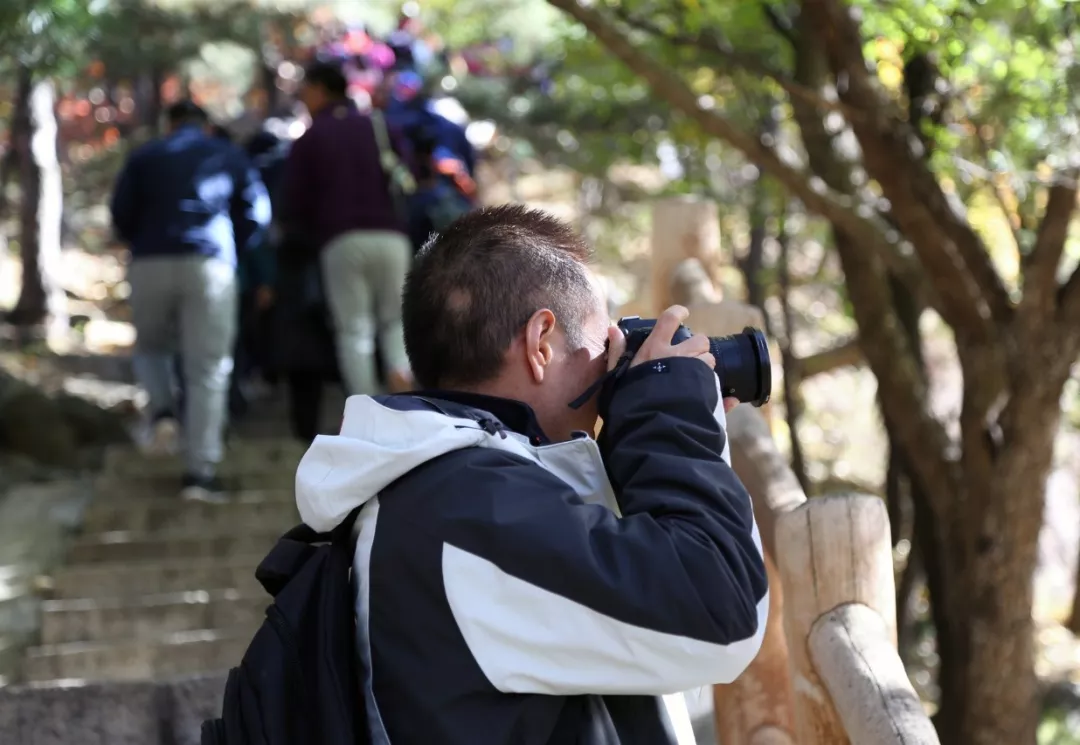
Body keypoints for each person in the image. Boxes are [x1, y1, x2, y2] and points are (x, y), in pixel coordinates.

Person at [294, 205, 769, 744]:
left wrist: (647, 435)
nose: (613, 359)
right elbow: (722, 615)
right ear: (541, 342)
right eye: (601, 340)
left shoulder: (442, 486)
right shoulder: (465, 510)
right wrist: (670, 418)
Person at [111, 101, 270, 501]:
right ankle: (200, 473)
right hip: (210, 262)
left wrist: (144, 240)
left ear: (170, 122)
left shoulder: (145, 155)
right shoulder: (227, 154)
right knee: (209, 368)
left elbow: (120, 212)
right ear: (206, 125)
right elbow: (258, 212)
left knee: (151, 348)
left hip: (149, 261)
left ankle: (163, 411)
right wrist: (236, 244)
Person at [278, 61, 416, 405]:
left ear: (320, 90)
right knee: (394, 323)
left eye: (305, 91)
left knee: (353, 329)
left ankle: (367, 412)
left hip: (341, 239)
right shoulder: (380, 127)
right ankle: (407, 402)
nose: (302, 99)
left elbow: (295, 200)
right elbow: (408, 176)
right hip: (392, 235)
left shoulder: (310, 138)